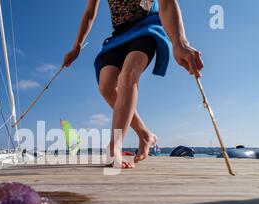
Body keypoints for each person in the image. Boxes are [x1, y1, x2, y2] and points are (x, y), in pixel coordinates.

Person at [63, 0, 204, 168]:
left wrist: (180, 42)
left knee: (128, 76)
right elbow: (89, 13)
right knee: (106, 86)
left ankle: (114, 147)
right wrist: (77, 45)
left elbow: (166, 3)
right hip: (119, 35)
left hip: (147, 27)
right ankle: (145, 134)